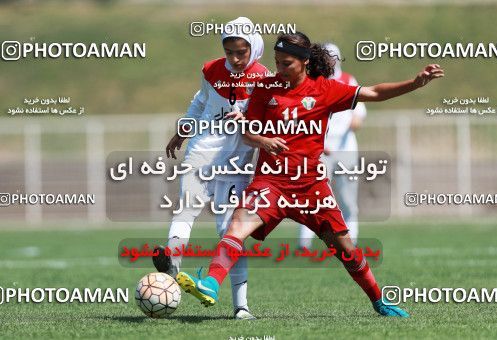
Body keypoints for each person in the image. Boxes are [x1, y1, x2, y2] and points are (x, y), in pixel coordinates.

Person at [176, 32, 444, 318]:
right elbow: (248, 131)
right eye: (277, 62)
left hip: (311, 187)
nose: (279, 69)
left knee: (345, 249)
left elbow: (375, 92)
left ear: (304, 61)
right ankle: (210, 284)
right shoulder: (266, 88)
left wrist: (415, 83)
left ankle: (379, 301)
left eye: (286, 63)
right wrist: (265, 142)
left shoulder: (326, 89)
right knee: (236, 227)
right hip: (271, 182)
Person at [153, 17, 267, 320]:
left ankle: (241, 307)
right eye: (229, 52)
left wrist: (248, 123)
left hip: (236, 162)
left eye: (241, 52)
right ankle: (172, 266)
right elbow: (201, 101)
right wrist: (184, 127)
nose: (234, 59)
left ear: (253, 47)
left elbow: (267, 123)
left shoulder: (264, 78)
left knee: (228, 230)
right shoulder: (211, 69)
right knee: (185, 210)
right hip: (201, 152)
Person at [298, 42, 366, 248]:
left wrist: (353, 123)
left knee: (347, 198)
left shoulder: (348, 80)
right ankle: (305, 242)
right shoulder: (313, 83)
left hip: (345, 150)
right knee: (313, 197)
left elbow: (358, 115)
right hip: (319, 151)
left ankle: (350, 241)